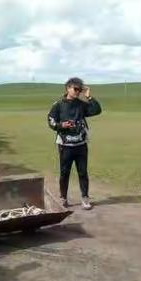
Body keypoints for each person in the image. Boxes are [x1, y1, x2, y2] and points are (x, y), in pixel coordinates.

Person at [47, 77, 102, 210]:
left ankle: (85, 198)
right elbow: (51, 121)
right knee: (64, 172)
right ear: (68, 88)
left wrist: (89, 97)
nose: (78, 92)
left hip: (81, 144)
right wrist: (62, 125)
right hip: (65, 146)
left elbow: (96, 110)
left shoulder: (81, 104)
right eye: (75, 89)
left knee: (83, 172)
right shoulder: (58, 105)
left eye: (80, 89)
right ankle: (63, 197)